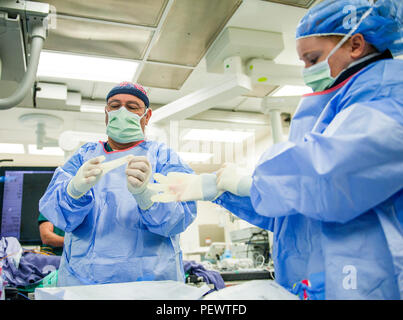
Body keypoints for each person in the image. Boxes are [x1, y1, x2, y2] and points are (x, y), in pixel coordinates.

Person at [149, 0, 403, 299]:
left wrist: (251, 180)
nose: (308, 71)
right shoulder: (335, 105)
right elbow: (294, 214)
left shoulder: (390, 94)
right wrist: (217, 189)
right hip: (325, 281)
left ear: (356, 44)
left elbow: (329, 176)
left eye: (313, 58)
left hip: (369, 281)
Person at [39, 82, 197, 286]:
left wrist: (147, 197)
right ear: (106, 113)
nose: (122, 112)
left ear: (146, 116)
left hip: (151, 284)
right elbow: (57, 217)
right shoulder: (83, 157)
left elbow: (179, 220)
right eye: (114, 106)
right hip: (85, 284)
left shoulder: (164, 158)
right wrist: (74, 190)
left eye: (132, 107)